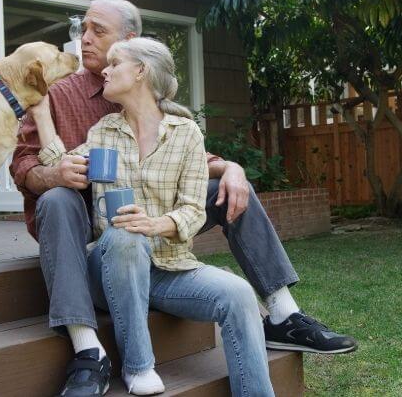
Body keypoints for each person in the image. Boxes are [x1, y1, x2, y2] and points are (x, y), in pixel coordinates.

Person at [10, 0, 357, 396]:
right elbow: (24, 165)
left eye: (97, 31)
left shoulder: (170, 118)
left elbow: (186, 158)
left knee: (229, 187)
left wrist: (232, 168)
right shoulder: (72, 104)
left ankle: (282, 313)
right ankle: (89, 350)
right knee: (64, 202)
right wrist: (54, 172)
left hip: (156, 233)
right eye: (82, 29)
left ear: (133, 51)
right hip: (88, 222)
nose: (83, 39)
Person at [34, 35, 277, 396]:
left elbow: (195, 210)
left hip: (168, 269)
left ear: (140, 72)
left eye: (116, 63)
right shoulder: (104, 133)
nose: (106, 70)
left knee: (240, 295)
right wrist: (40, 112)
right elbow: (57, 165)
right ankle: (138, 367)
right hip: (109, 270)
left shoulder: (187, 134)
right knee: (126, 233)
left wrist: (157, 224)